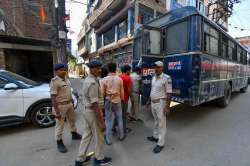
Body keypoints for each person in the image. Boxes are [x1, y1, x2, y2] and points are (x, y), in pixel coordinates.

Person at [75, 60, 112, 166]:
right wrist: (101, 122)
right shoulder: (92, 82)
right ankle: (99, 158)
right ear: (91, 69)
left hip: (88, 111)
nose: (99, 70)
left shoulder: (91, 79)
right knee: (99, 136)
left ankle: (80, 159)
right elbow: (95, 104)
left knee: (87, 135)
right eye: (96, 68)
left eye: (100, 68)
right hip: (92, 112)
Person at [50, 63, 82, 153]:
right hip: (60, 106)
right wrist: (56, 111)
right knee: (60, 125)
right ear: (56, 71)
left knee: (72, 120)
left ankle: (74, 134)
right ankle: (59, 142)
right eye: (61, 70)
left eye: (64, 70)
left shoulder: (67, 80)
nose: (63, 71)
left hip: (69, 104)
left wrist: (72, 101)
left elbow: (69, 92)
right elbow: (53, 97)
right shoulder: (54, 81)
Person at [147, 61, 172, 154]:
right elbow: (153, 90)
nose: (156, 69)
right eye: (155, 67)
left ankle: (160, 143)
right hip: (153, 103)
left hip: (161, 103)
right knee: (156, 121)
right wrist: (149, 100)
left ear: (162, 68)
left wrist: (167, 107)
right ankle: (155, 136)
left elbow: (169, 93)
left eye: (157, 67)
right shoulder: (154, 77)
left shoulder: (166, 78)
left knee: (162, 123)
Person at [101, 62, 125, 145]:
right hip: (117, 101)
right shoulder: (119, 79)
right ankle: (121, 136)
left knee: (108, 121)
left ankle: (109, 140)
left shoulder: (103, 80)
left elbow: (102, 94)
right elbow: (122, 93)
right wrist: (121, 100)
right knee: (119, 119)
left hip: (108, 101)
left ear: (108, 69)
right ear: (116, 69)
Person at [120, 65, 132, 133]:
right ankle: (124, 129)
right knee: (124, 115)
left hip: (119, 98)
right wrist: (131, 96)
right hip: (125, 98)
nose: (130, 72)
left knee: (118, 114)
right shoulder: (128, 78)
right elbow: (129, 90)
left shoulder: (119, 77)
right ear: (127, 70)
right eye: (129, 70)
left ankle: (114, 128)